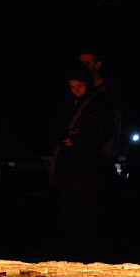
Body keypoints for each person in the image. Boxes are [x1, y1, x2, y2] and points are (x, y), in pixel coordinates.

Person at [50, 63, 116, 262]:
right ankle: (70, 255)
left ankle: (91, 256)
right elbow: (55, 127)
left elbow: (104, 131)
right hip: (69, 169)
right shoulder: (67, 104)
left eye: (79, 86)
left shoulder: (98, 103)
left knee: (88, 215)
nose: (75, 91)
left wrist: (79, 140)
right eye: (72, 87)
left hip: (87, 168)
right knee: (68, 215)